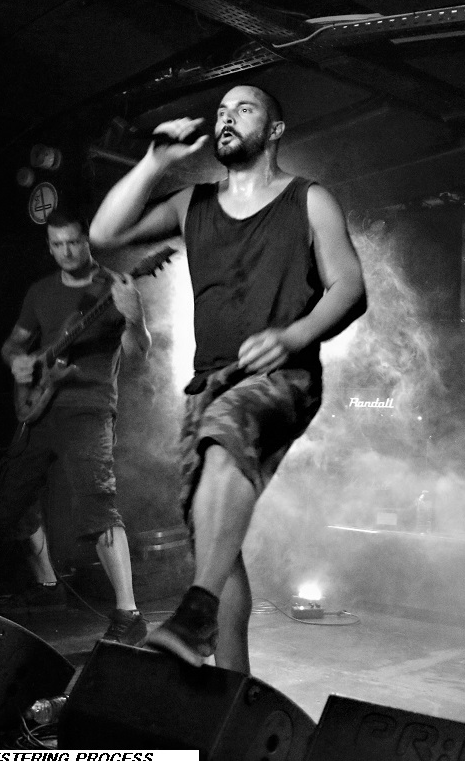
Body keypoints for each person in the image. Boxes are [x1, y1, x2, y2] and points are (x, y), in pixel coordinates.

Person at [89, 84, 366, 671]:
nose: (226, 118)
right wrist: (155, 162)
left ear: (275, 130)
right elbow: (104, 237)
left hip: (281, 377)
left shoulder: (309, 199)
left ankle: (193, 617)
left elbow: (349, 287)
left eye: (244, 109)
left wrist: (293, 335)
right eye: (220, 111)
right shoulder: (193, 203)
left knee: (225, 433)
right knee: (214, 540)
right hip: (206, 383)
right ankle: (230, 691)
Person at [0, 210, 152, 646]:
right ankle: (48, 587)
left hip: (89, 409)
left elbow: (138, 353)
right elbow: (13, 344)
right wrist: (18, 361)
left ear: (87, 242)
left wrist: (135, 318)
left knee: (97, 504)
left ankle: (129, 614)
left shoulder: (115, 287)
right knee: (11, 502)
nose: (66, 251)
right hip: (40, 408)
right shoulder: (41, 291)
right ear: (49, 247)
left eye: (73, 242)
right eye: (57, 244)